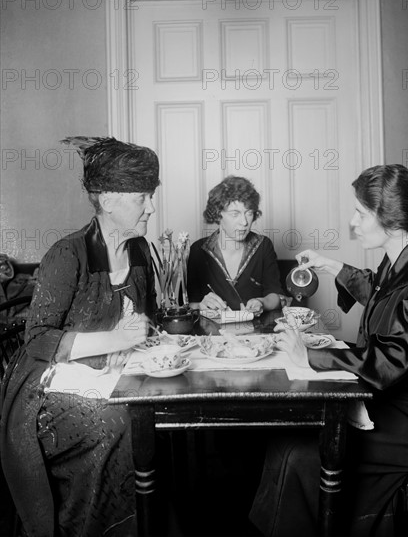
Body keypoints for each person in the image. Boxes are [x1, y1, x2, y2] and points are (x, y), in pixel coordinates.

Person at [250, 164, 408, 536]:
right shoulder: (407, 256)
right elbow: (381, 292)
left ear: (391, 221)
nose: (352, 221)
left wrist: (309, 356)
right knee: (285, 442)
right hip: (397, 401)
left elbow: (392, 359)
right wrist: (333, 267)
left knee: (301, 455)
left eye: (361, 212)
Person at [0, 136, 159, 537]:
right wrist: (117, 341)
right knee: (118, 422)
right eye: (143, 198)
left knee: (149, 411)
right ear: (107, 200)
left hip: (109, 375)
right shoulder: (67, 255)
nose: (152, 208)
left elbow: (145, 318)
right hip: (45, 391)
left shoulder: (140, 251)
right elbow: (38, 341)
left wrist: (137, 342)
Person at [187, 175, 284, 315]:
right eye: (235, 214)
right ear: (218, 215)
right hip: (212, 334)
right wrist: (201, 304)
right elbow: (188, 304)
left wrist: (262, 302)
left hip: (256, 332)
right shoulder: (198, 250)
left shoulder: (263, 246)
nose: (244, 222)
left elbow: (275, 296)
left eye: (249, 213)